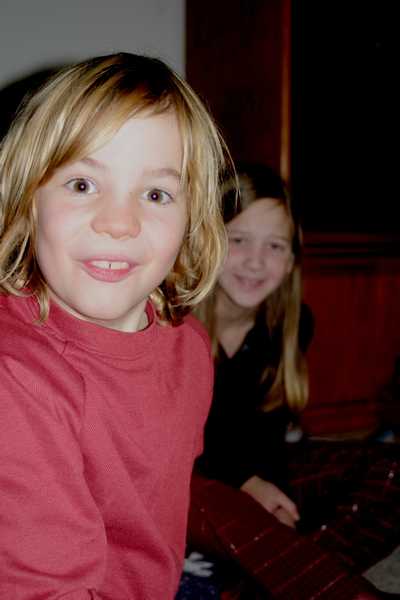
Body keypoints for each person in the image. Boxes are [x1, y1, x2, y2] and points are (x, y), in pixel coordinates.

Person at [0, 52, 230, 599]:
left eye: (156, 194)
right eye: (82, 185)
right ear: (28, 199)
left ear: (191, 219)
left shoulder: (189, 348)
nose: (119, 223)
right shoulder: (15, 377)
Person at [180, 163, 400, 599]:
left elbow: (268, 435)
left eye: (275, 246)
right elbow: (173, 442)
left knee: (393, 471)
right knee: (212, 503)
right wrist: (246, 483)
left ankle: (267, 577)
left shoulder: (291, 325)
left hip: (254, 473)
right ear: (205, 241)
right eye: (238, 240)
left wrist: (274, 493)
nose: (256, 261)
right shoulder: (172, 322)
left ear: (292, 260)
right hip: (189, 483)